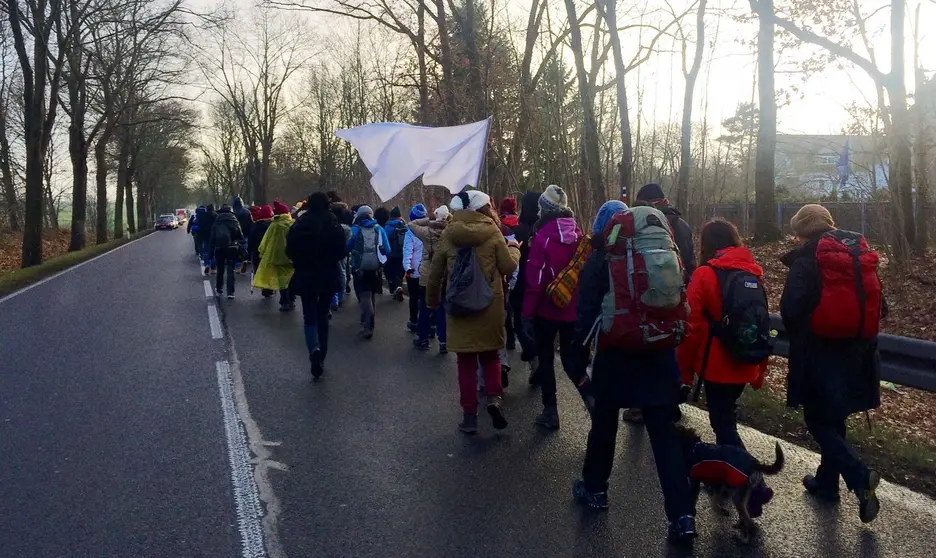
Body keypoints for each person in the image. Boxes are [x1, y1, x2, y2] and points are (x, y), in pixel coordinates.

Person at [572, 200, 696, 545]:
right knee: (663, 434)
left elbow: (585, 311)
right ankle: (682, 515)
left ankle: (595, 489)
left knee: (605, 423)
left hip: (616, 353)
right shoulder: (663, 252)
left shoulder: (603, 258)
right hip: (657, 351)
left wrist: (578, 355)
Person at [780, 204, 884, 523]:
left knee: (818, 420)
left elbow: (790, 309)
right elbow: (883, 306)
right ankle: (827, 484)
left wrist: (810, 329)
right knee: (835, 416)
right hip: (858, 352)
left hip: (819, 351)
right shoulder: (856, 254)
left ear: (801, 229)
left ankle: (858, 475)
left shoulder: (806, 258)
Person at [425, 190, 520, 435]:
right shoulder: (493, 232)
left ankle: (469, 416)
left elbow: (435, 274)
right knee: (491, 357)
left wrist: (432, 302)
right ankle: (494, 400)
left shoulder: (448, 232)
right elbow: (508, 266)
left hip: (459, 307)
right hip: (490, 305)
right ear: (485, 208)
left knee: (466, 363)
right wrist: (514, 249)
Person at [677, 219, 768, 448]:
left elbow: (691, 327)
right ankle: (733, 472)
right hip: (746, 360)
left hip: (716, 364)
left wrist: (684, 374)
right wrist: (759, 373)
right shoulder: (752, 272)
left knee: (722, 423)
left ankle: (743, 478)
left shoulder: (704, 274)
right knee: (727, 414)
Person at [623, 183, 698, 424]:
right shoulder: (682, 225)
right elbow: (690, 261)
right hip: (676, 294)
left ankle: (639, 406)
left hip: (646, 296)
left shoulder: (641, 225)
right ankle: (671, 398)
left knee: (643, 348)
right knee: (669, 346)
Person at [521, 185, 586, 430]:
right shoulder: (579, 234)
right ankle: (589, 398)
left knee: (546, 359)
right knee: (571, 360)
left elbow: (535, 281)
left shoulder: (542, 237)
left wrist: (527, 314)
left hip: (546, 311)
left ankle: (551, 411)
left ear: (545, 210)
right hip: (573, 309)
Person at [286, 192, 349, 380]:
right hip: (328, 274)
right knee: (323, 314)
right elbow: (341, 251)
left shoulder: (300, 224)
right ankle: (322, 355)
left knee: (309, 315)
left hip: (306, 275)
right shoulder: (333, 223)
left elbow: (289, 250)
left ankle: (313, 348)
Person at [410, 205, 450, 353]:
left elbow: (411, 224)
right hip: (444, 275)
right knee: (442, 308)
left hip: (427, 274)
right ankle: (443, 341)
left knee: (425, 308)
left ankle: (423, 339)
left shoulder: (427, 232)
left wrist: (429, 220)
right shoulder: (450, 232)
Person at [511, 190, 541, 382]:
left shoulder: (519, 231)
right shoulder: (544, 230)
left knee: (520, 322)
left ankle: (532, 355)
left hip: (521, 285)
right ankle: (538, 359)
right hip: (542, 285)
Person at [349, 205, 391, 339]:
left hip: (359, 268)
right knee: (371, 293)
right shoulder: (379, 229)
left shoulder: (355, 229)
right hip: (376, 268)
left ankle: (368, 324)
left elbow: (347, 247)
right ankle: (367, 319)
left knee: (364, 295)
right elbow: (388, 250)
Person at [254, 201, 296, 311]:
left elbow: (266, 241)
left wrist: (262, 252)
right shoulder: (293, 224)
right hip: (293, 255)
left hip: (278, 256)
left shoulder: (275, 225)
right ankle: (292, 299)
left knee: (282, 280)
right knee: (291, 277)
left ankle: (284, 301)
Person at [209, 205, 244, 299]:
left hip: (219, 248)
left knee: (220, 269)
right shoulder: (234, 220)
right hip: (231, 247)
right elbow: (240, 235)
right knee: (230, 270)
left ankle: (219, 289)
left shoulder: (217, 221)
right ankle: (230, 292)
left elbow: (212, 238)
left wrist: (210, 253)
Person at [499, 197, 520, 350]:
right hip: (521, 265)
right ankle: (515, 336)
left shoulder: (500, 226)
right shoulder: (522, 223)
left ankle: (509, 338)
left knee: (506, 304)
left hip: (506, 266)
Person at [402, 204, 427, 330]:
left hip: (414, 270)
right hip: (428, 269)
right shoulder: (429, 230)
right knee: (426, 298)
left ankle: (414, 321)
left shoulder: (410, 232)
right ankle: (430, 323)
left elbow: (408, 251)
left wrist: (407, 267)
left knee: (414, 297)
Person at [330, 203, 354, 310]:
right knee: (342, 273)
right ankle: (340, 296)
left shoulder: (330, 225)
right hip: (343, 254)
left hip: (330, 253)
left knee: (331, 275)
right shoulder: (347, 228)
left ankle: (333, 298)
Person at [249, 205, 275, 298]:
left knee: (260, 268)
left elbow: (251, 239)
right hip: (270, 250)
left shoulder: (256, 225)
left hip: (258, 251)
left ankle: (264, 286)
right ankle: (269, 288)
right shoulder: (273, 225)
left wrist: (249, 252)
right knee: (270, 268)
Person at [383, 206, 407, 302]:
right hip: (402, 253)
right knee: (400, 271)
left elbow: (383, 241)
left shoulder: (387, 227)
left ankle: (394, 288)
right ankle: (399, 286)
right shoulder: (405, 226)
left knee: (389, 271)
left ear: (391, 216)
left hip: (390, 255)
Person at [232, 196, 253, 275]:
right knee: (244, 248)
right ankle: (244, 260)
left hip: (235, 234)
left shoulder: (233, 212)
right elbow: (251, 223)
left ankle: (237, 265)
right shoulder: (247, 211)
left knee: (235, 250)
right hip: (245, 233)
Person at [200, 204, 218, 275]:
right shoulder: (216, 215)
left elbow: (200, 226)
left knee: (206, 251)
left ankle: (207, 264)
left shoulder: (203, 215)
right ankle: (213, 268)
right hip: (214, 236)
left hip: (206, 236)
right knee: (214, 252)